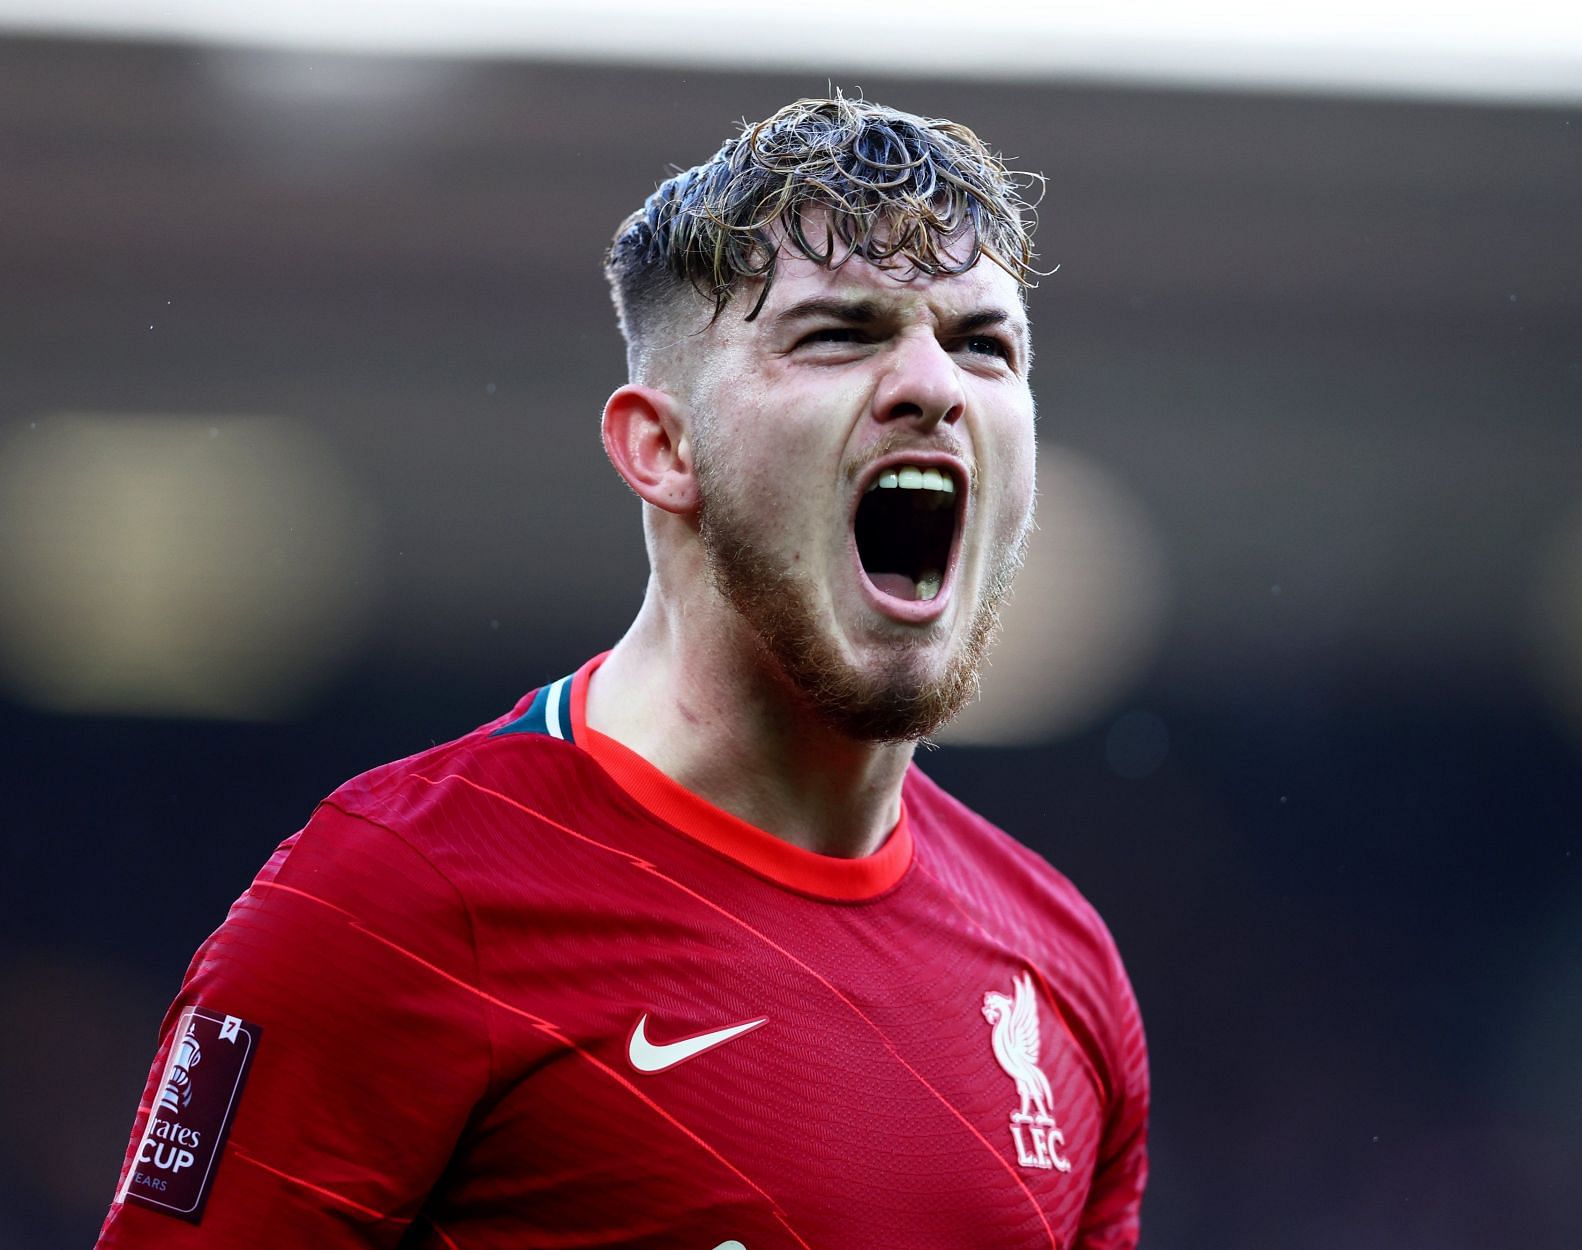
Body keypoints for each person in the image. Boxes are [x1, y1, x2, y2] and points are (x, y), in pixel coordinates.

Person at [96, 94, 1149, 1249]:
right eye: (838, 334)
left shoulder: (1059, 972)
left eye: (982, 343)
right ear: (662, 447)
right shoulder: (396, 901)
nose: (933, 386)